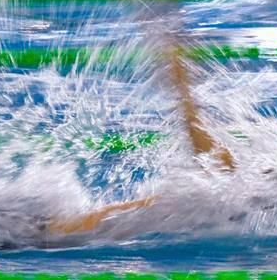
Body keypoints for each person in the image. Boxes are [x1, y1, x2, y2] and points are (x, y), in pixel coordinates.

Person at [44, 43, 236, 236]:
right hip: (71, 233)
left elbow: (193, 124)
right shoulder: (230, 186)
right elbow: (193, 124)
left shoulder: (231, 187)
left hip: (89, 229)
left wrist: (180, 79)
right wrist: (180, 80)